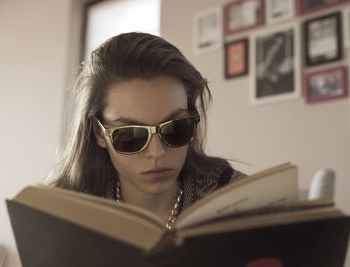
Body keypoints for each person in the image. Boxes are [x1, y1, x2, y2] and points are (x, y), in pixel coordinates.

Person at [50, 32, 245, 229]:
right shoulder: (64, 213)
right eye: (131, 135)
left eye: (175, 128)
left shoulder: (237, 198)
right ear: (100, 133)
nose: (157, 152)